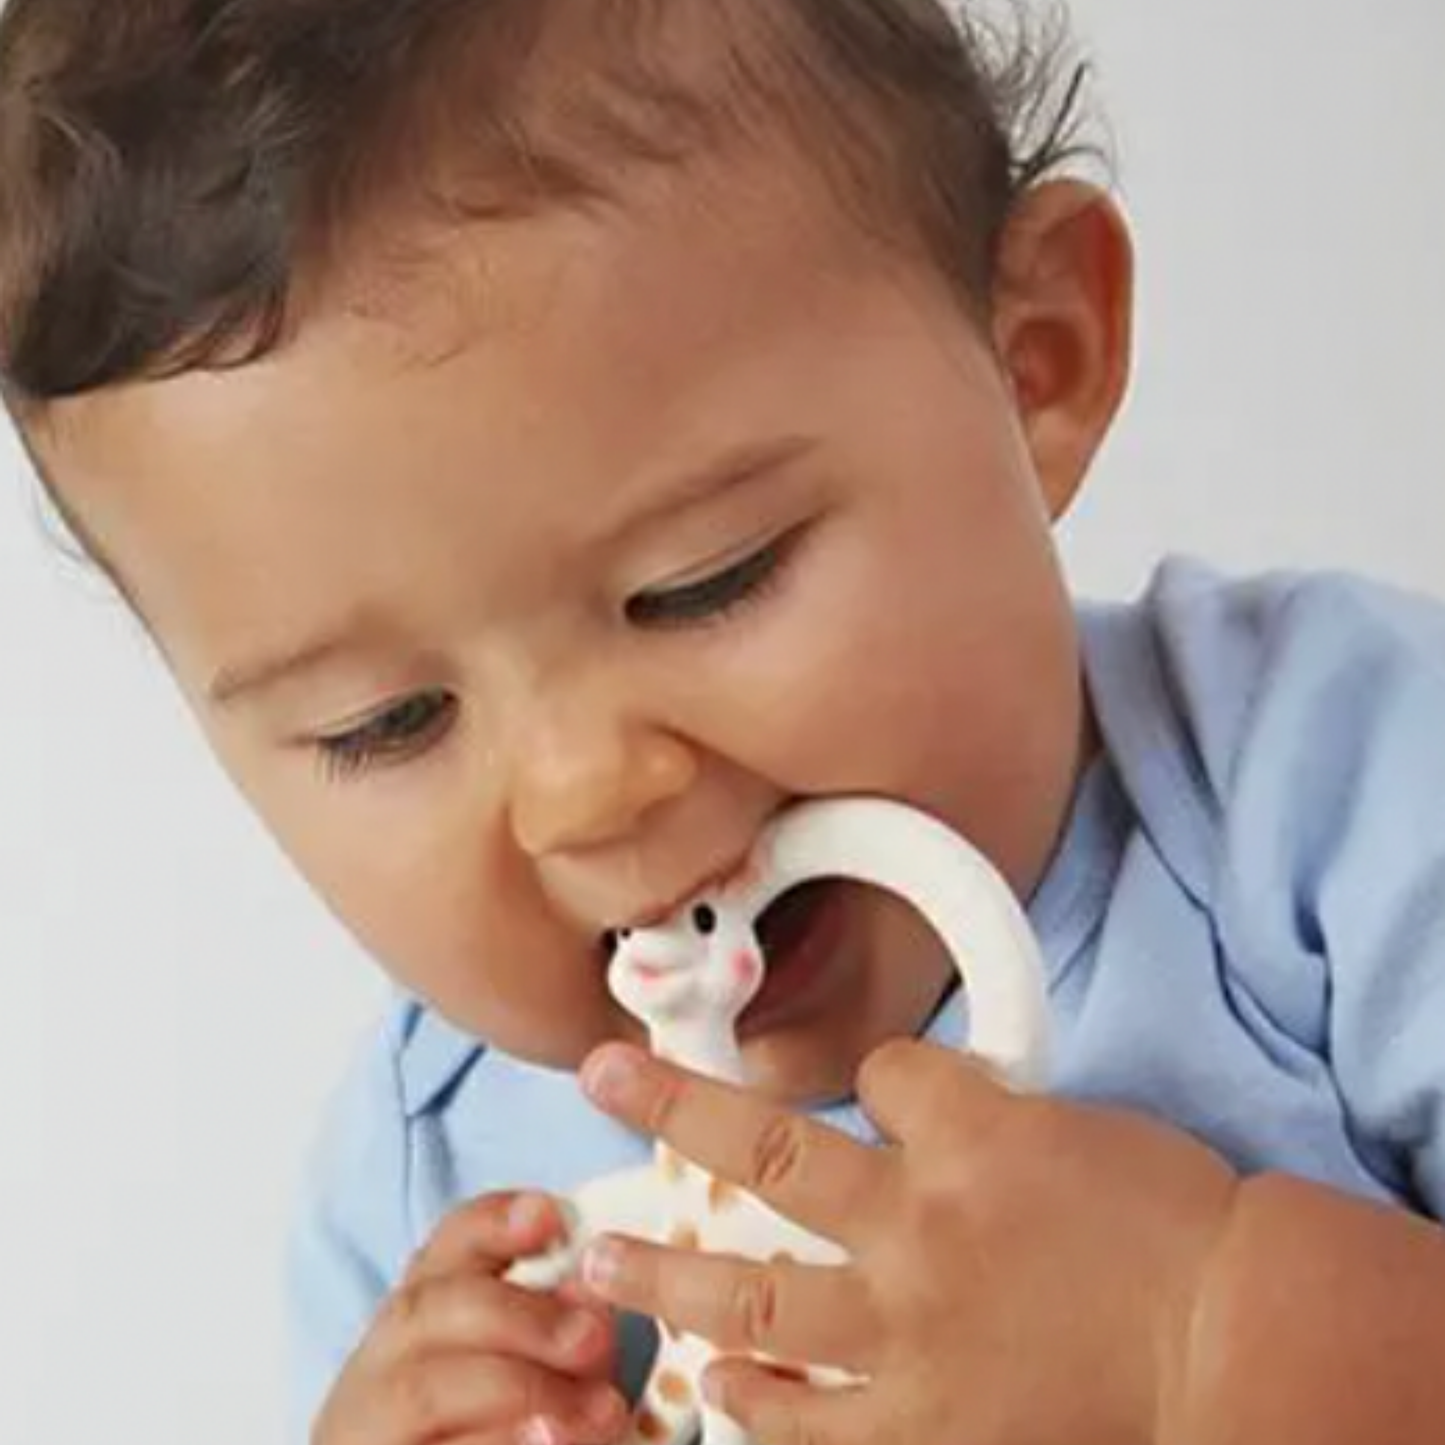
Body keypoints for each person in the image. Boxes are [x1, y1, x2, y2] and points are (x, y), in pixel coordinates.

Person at [3, 1, 1443, 1442]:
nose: (586, 794)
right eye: (387, 722)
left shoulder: (1338, 808)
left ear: (1036, 357)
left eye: (704, 583)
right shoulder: (432, 1203)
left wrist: (1205, 1338)